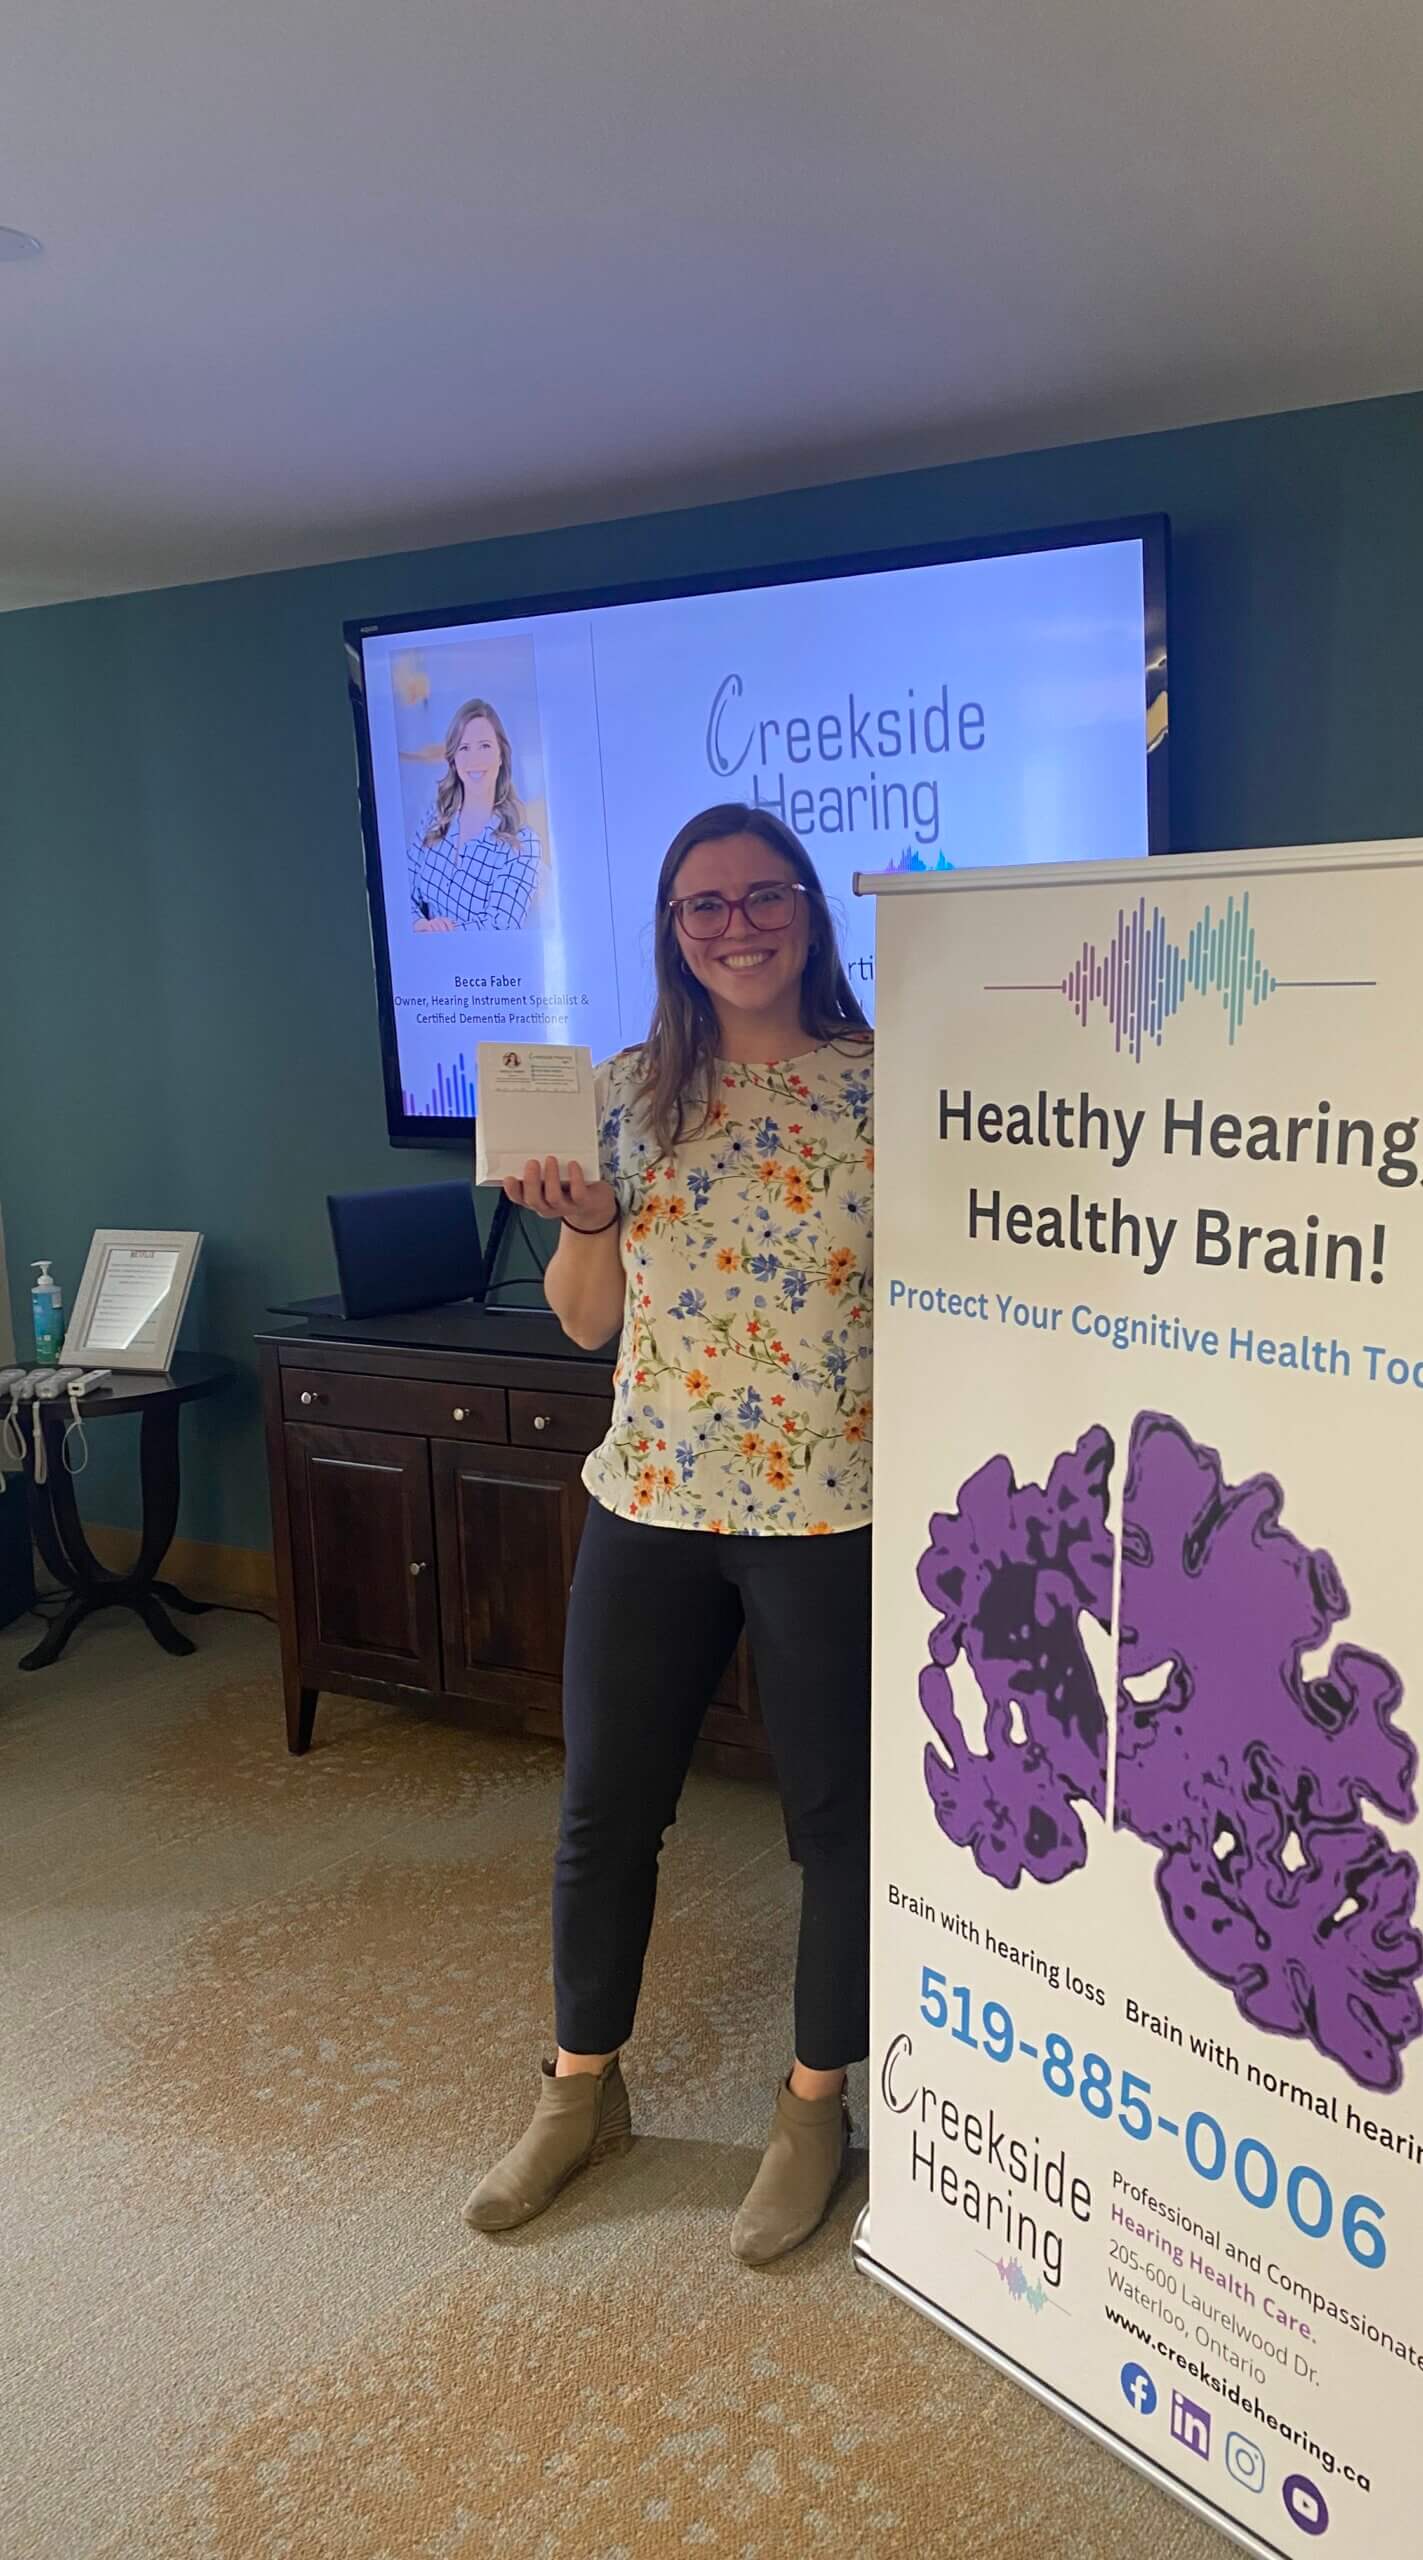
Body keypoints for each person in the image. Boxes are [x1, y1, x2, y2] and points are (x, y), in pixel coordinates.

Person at [463, 803, 875, 2264]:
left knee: (838, 1828)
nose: (737, 924)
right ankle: (583, 2093)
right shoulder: (628, 1092)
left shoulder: (888, 1093)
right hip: (649, 1500)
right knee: (605, 1811)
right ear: (671, 931)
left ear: (812, 913)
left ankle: (816, 2105)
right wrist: (582, 1224)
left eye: (765, 897)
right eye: (703, 906)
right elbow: (588, 1325)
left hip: (833, 1511)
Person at [407, 697, 542, 930]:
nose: (475, 759)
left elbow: (500, 927)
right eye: (464, 748)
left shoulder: (524, 843)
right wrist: (418, 924)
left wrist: (439, 935)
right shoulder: (434, 815)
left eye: (485, 746)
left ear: (501, 756)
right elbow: (402, 891)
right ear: (454, 759)